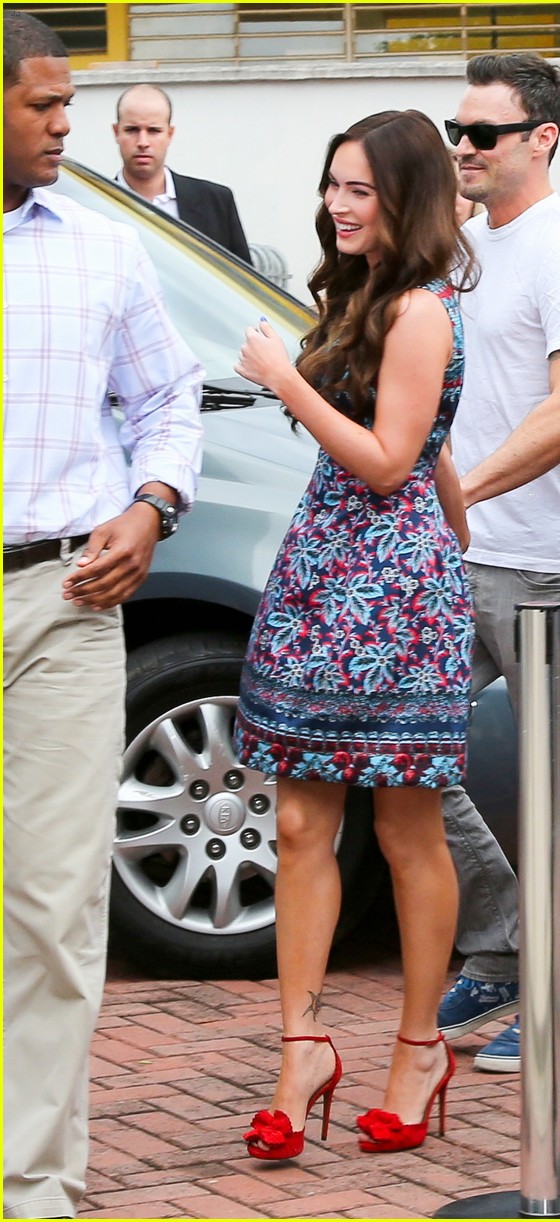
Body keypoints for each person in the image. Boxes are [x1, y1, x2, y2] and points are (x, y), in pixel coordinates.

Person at [231, 109, 475, 1159]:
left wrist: (285, 380)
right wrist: (456, 528)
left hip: (390, 598)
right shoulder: (362, 298)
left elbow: (389, 461)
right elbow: (434, 453)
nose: (337, 204)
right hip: (323, 577)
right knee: (298, 822)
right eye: (332, 185)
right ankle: (303, 1050)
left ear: (404, 198)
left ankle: (419, 1050)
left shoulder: (420, 309)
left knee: (406, 829)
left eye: (359, 189)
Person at [3, 12, 203, 1220]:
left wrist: (153, 501)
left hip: (63, 599)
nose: (66, 125)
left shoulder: (101, 247)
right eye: (42, 104)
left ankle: (31, 1187)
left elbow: (171, 395)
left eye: (68, 103)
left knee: (53, 905)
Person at [437, 51, 560, 1073]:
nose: (463, 147)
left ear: (541, 139)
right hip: (459, 558)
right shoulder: (463, 247)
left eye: (483, 133)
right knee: (393, 741)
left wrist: (463, 491)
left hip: (548, 565)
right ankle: (504, 936)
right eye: (455, 130)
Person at [113, 82, 252, 262]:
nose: (143, 142)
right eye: (132, 130)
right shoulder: (93, 207)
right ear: (116, 132)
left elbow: (240, 276)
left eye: (154, 131)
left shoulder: (215, 203)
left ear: (170, 134)